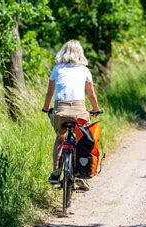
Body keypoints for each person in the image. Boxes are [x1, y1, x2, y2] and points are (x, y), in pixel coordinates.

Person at [42, 40, 101, 188]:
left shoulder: (57, 69)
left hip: (60, 110)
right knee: (82, 139)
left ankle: (55, 172)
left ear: (63, 52)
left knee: (60, 139)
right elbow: (91, 95)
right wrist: (96, 109)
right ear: (80, 53)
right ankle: (80, 172)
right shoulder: (85, 70)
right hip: (79, 111)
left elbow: (50, 93)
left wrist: (45, 108)